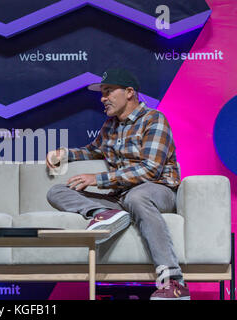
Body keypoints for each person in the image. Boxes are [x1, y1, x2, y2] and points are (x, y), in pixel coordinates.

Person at [45, 68, 190, 300]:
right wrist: (65, 154)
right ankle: (106, 213)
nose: (103, 99)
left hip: (158, 190)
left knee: (137, 196)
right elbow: (93, 150)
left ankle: (173, 282)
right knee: (57, 191)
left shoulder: (154, 120)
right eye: (102, 93)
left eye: (109, 92)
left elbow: (150, 169)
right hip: (121, 197)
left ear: (130, 92)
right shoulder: (110, 126)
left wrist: (98, 179)